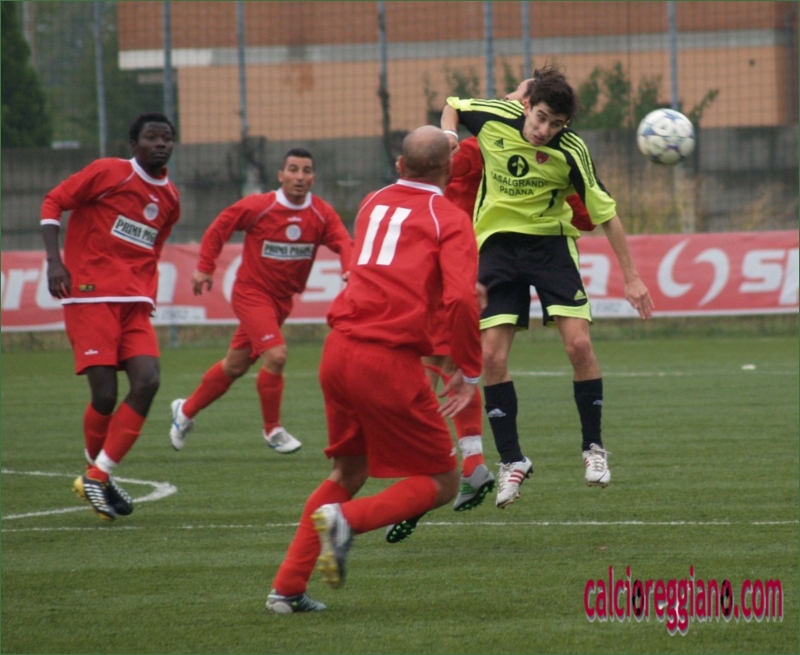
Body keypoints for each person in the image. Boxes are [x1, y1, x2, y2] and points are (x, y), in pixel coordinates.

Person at [266, 126, 483, 613]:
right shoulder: (448, 218)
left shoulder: (373, 201)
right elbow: (461, 300)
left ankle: (287, 587)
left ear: (400, 166)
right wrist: (469, 370)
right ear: (450, 171)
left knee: (349, 469)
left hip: (338, 351)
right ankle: (348, 522)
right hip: (387, 361)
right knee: (444, 480)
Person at [441, 65, 654, 508]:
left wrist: (632, 278)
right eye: (540, 118)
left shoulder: (572, 150)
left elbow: (607, 214)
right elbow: (453, 105)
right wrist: (447, 137)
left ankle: (593, 448)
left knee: (579, 345)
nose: (544, 130)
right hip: (497, 247)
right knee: (491, 357)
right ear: (526, 106)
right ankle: (512, 461)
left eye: (556, 124)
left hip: (551, 246)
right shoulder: (495, 117)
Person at [41, 113, 181, 521]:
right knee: (104, 395)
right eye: (152, 137)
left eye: (167, 138)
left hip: (133, 304)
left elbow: (153, 248)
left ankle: (97, 474)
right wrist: (55, 261)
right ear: (134, 144)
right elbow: (53, 202)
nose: (161, 143)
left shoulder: (170, 197)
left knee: (148, 380)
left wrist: (147, 293)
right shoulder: (109, 172)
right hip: (91, 297)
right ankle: (96, 476)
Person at [169, 148, 353, 454]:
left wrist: (350, 269)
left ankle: (184, 411)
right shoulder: (260, 206)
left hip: (281, 302)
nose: (299, 176)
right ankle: (273, 429)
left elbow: (344, 242)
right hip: (251, 294)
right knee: (276, 356)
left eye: (306, 171)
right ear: (281, 175)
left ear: (313, 178)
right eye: (293, 170)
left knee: (235, 365)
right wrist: (204, 266)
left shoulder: (321, 213)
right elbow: (219, 227)